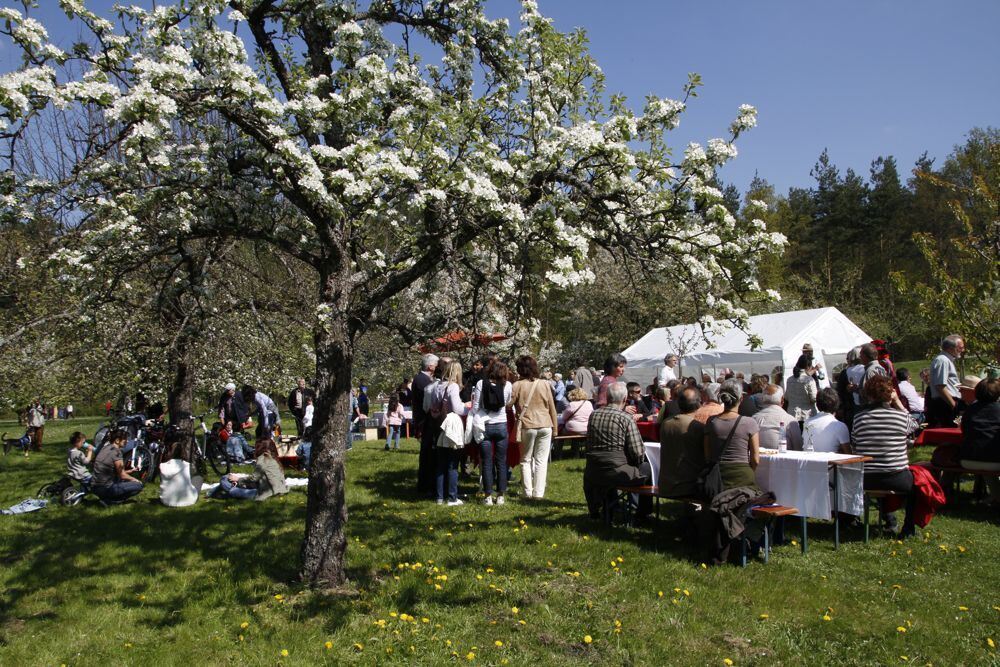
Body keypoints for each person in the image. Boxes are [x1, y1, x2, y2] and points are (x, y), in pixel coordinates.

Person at [851, 374, 917, 535]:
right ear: (890, 394)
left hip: (867, 477)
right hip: (896, 477)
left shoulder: (859, 418)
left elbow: (855, 442)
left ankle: (890, 519)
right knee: (919, 486)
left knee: (881, 478)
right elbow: (915, 425)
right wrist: (898, 402)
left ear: (869, 395)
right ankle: (908, 528)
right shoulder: (901, 417)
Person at [583, 382, 653, 519]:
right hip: (617, 472)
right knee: (646, 467)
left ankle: (607, 507)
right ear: (624, 399)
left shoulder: (593, 415)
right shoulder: (625, 418)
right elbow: (638, 452)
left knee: (607, 471)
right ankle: (643, 513)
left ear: (607, 397)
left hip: (593, 470)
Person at [512, 355, 558, 500]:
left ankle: (527, 492)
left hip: (527, 425)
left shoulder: (517, 385)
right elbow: (552, 408)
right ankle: (538, 494)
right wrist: (555, 428)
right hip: (545, 424)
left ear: (520, 369)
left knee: (526, 460)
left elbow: (508, 404)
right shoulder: (544, 384)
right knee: (541, 460)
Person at [705, 380, 761, 491]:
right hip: (742, 477)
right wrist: (749, 472)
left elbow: (707, 455)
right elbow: (755, 459)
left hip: (718, 477)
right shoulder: (750, 423)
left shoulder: (711, 421)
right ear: (741, 399)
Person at [472, 360, 513, 505]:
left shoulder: (481, 384)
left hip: (486, 426)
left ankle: (488, 496)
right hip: (501, 425)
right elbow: (507, 403)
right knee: (501, 461)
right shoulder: (508, 385)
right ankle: (501, 495)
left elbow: (476, 405)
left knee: (487, 462)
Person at [658, 386, 705, 498]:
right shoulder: (697, 427)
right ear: (699, 404)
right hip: (688, 486)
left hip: (666, 484)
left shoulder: (666, 423)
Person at [958, 379, 1000, 505]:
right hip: (995, 461)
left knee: (986, 459)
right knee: (990, 457)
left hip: (967, 460)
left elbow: (964, 432)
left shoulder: (969, 411)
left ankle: (995, 496)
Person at [435, 360, 469, 505]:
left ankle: (439, 496)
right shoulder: (453, 386)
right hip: (451, 425)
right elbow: (457, 409)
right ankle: (452, 497)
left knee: (441, 464)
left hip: (439, 425)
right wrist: (467, 406)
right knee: (452, 464)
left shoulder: (437, 386)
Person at [217, 438, 289, 501]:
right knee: (231, 482)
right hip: (280, 490)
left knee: (224, 480)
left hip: (267, 493)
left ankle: (218, 494)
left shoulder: (263, 459)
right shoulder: (274, 458)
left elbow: (253, 478)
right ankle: (217, 494)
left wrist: (238, 479)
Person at [91, 430, 144, 503]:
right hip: (106, 488)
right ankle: (112, 501)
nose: (127, 441)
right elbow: (122, 475)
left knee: (124, 481)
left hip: (94, 487)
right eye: (125, 439)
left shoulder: (105, 448)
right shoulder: (117, 452)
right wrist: (135, 480)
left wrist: (130, 471)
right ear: (117, 440)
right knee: (139, 486)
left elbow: (115, 472)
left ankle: (107, 499)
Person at [413, 353, 440, 495]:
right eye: (436, 365)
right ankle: (426, 486)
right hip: (425, 422)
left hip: (426, 421)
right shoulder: (422, 380)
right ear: (430, 366)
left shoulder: (423, 379)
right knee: (427, 455)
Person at [928, 334, 965, 427]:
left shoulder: (946, 360)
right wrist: (954, 405)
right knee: (951, 430)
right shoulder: (943, 360)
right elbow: (940, 386)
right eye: (960, 348)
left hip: (949, 403)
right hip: (946, 404)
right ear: (950, 348)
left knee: (957, 426)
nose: (963, 350)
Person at [158, 432, 203, 507]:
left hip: (166, 500)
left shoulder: (162, 466)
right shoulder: (186, 465)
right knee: (198, 478)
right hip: (188, 500)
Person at [752, 384, 803, 451]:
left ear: (763, 399)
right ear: (782, 399)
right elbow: (798, 448)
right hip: (785, 460)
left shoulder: (753, 419)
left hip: (760, 460)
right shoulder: (790, 421)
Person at [802, 388, 851, 453]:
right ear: (837, 404)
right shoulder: (840, 426)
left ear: (817, 404)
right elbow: (849, 454)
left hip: (809, 461)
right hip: (830, 462)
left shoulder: (807, 423)